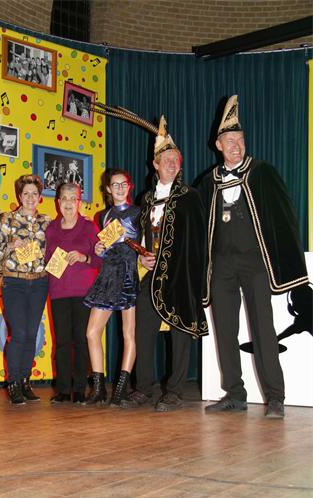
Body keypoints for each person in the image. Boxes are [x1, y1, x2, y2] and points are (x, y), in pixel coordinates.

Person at [199, 95, 309, 419]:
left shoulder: (263, 173)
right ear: (218, 145)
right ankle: (235, 394)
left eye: (240, 140)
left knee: (263, 328)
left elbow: (285, 217)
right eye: (230, 141)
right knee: (224, 330)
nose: (236, 146)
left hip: (255, 263)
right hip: (222, 265)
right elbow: (197, 225)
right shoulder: (208, 182)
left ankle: (275, 397)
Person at [124, 117, 208, 411]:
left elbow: (198, 242)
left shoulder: (190, 197)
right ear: (155, 164)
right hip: (150, 275)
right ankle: (144, 388)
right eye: (167, 160)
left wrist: (194, 279)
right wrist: (142, 255)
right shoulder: (146, 199)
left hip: (179, 275)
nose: (172, 164)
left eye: (176, 160)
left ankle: (174, 391)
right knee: (143, 332)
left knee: (179, 333)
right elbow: (143, 235)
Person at [84, 169, 140, 406]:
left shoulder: (138, 212)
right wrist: (98, 250)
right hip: (108, 275)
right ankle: (99, 389)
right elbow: (103, 247)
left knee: (128, 333)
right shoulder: (102, 215)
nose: (119, 188)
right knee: (92, 332)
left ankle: (120, 389)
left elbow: (144, 244)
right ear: (108, 189)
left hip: (127, 273)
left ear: (129, 186)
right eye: (114, 184)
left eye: (123, 183)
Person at [45, 182, 101, 404]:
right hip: (58, 292)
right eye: (64, 198)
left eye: (73, 198)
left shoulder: (89, 227)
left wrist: (84, 257)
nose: (68, 203)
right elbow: (46, 261)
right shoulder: (50, 229)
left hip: (83, 292)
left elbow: (101, 258)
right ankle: (62, 389)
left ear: (79, 202)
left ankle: (79, 389)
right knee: (62, 343)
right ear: (58, 202)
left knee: (81, 340)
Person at [0, 174, 51, 405]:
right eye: (26, 193)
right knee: (18, 333)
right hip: (14, 283)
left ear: (40, 197)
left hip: (39, 283)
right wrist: (10, 245)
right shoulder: (6, 219)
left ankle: (25, 382)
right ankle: (13, 383)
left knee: (31, 334)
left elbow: (56, 248)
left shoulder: (47, 222)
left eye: (34, 194)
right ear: (19, 196)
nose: (30, 198)